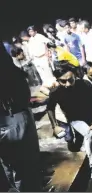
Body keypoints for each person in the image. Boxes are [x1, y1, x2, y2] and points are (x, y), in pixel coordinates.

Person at [47, 60, 92, 179]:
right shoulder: (55, 92)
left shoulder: (85, 84)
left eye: (70, 80)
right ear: (57, 80)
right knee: (86, 137)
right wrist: (54, 126)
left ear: (75, 75)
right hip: (75, 119)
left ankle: (88, 154)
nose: (68, 84)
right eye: (63, 81)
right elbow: (50, 108)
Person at [0, 41, 41, 192]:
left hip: (8, 122)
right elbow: (25, 96)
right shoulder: (12, 71)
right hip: (19, 119)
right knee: (27, 167)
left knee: (11, 167)